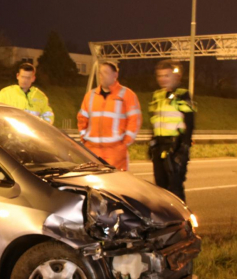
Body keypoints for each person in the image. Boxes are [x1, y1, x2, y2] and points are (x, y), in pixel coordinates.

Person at [77, 60, 141, 170]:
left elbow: (134, 120)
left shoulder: (127, 95)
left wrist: (124, 143)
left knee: (116, 185)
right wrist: (84, 137)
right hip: (92, 151)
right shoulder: (90, 95)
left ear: (115, 75)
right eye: (100, 73)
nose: (102, 76)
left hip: (115, 152)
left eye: (106, 72)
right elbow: (82, 118)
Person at [148, 59, 195, 202]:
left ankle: (183, 221)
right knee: (160, 188)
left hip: (175, 146)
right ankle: (166, 222)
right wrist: (152, 142)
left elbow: (190, 122)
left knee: (175, 189)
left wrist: (183, 147)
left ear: (176, 77)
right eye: (160, 76)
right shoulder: (157, 95)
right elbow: (155, 122)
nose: (162, 79)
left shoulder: (182, 94)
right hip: (159, 146)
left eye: (166, 75)